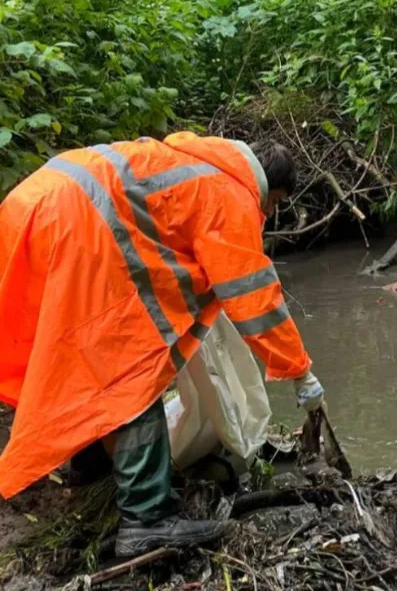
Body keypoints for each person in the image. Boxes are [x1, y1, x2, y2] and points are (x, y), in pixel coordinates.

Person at [0, 133, 326, 556]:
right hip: (74, 228)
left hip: (30, 208)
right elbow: (253, 298)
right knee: (131, 369)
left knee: (83, 355)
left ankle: (90, 461)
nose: (269, 212)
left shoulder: (196, 159)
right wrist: (299, 371)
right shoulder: (233, 192)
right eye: (276, 203)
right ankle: (147, 517)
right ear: (272, 189)